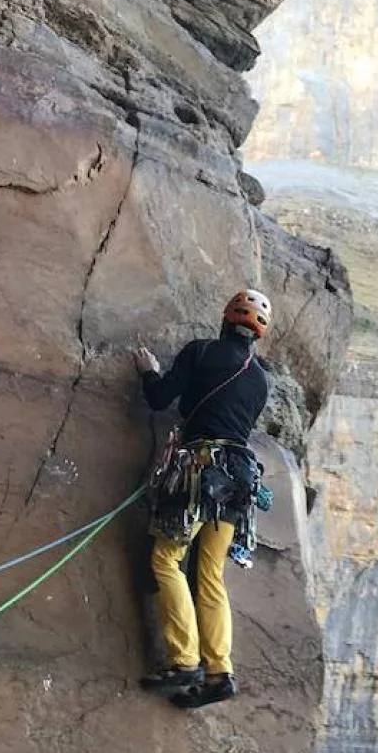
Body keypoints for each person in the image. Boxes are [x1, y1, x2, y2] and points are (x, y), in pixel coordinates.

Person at [132, 289, 273, 709]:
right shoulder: (261, 379)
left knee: (167, 560)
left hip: (199, 469)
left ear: (227, 318)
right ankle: (220, 671)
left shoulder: (202, 352)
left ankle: (184, 661)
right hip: (238, 479)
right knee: (209, 574)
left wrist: (148, 371)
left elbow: (160, 399)